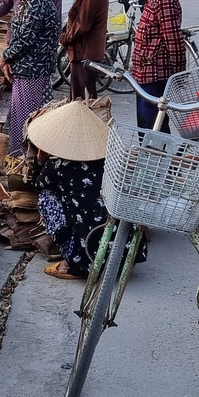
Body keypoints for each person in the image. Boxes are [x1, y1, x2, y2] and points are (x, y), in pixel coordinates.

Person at [27, 100, 145, 279]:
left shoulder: (57, 166)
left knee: (46, 196)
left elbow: (36, 184)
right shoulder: (111, 158)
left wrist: (40, 160)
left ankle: (73, 260)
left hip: (89, 260)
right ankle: (111, 254)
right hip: (127, 254)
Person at [0, 0, 60, 157]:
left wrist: (5, 57)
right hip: (26, 69)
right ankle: (22, 157)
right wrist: (9, 59)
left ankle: (23, 160)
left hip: (33, 71)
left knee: (27, 117)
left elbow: (25, 40)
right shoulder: (28, 2)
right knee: (20, 115)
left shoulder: (37, 4)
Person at [115, 0, 187, 130]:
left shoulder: (164, 0)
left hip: (156, 76)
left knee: (154, 129)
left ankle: (158, 159)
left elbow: (175, 43)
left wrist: (178, 77)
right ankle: (153, 157)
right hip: (145, 76)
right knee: (147, 127)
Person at [57, 0, 113, 100]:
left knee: (82, 97)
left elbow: (82, 25)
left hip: (84, 52)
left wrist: (65, 38)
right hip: (87, 52)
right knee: (85, 93)